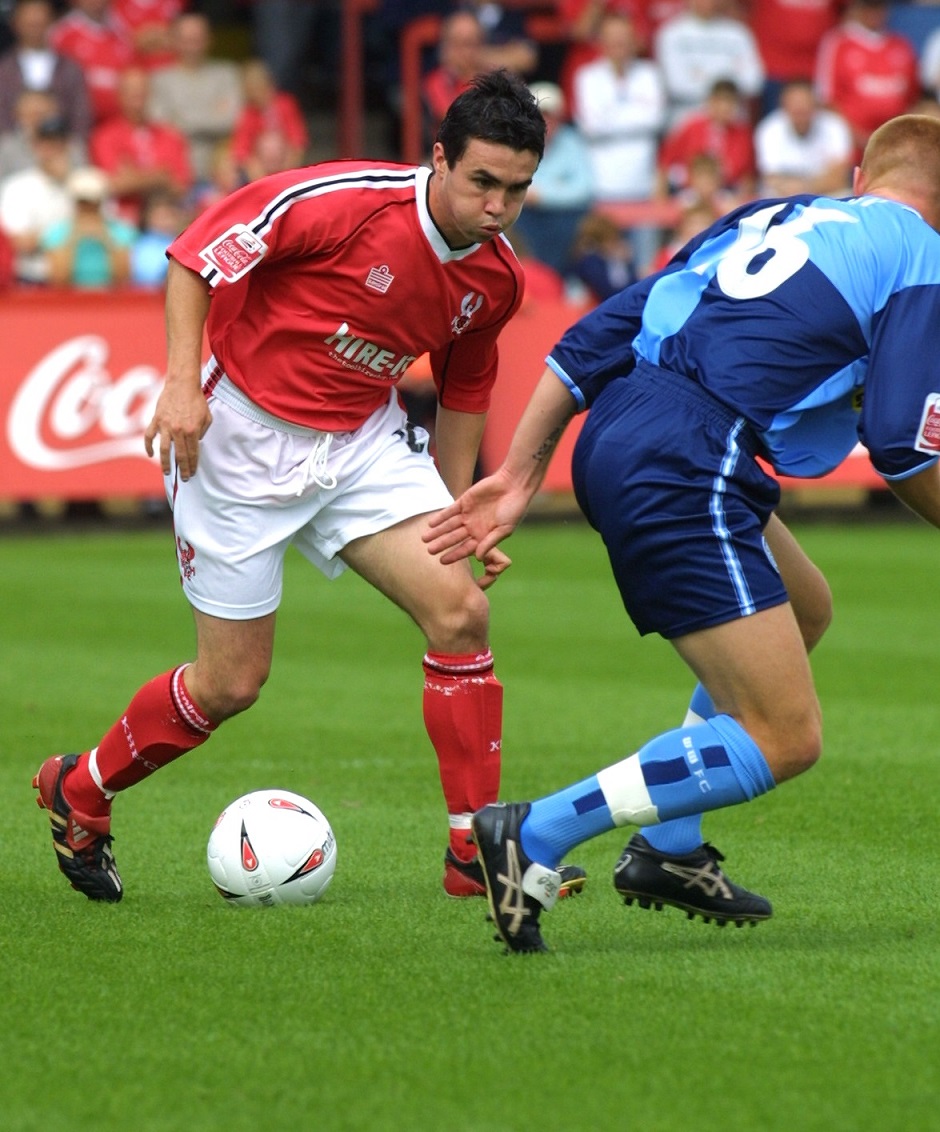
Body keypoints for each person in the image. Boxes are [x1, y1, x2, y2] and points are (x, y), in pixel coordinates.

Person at [31, 70, 586, 905]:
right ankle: (80, 790)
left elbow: (467, 388)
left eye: (516, 189)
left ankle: (473, 849)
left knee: (460, 610)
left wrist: (456, 511)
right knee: (230, 685)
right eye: (482, 182)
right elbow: (193, 258)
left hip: (360, 444)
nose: (497, 207)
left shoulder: (496, 279)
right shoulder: (341, 203)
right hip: (237, 439)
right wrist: (180, 384)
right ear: (439, 158)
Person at [425, 112, 940, 952]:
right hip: (691, 455)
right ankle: (534, 832)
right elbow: (901, 443)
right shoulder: (921, 252)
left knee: (805, 606)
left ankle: (667, 847)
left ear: (859, 179)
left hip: (632, 427)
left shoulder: (774, 215)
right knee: (786, 737)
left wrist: (519, 474)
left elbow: (598, 335)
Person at [814, 0, 920, 164]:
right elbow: (827, 99)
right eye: (868, 6)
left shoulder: (901, 45)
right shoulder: (838, 43)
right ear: (857, 8)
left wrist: (897, 138)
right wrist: (860, 138)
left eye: (878, 6)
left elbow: (912, 99)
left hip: (896, 147)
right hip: (851, 148)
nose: (874, 13)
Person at [147, 11, 243, 188]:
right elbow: (160, 127)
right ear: (173, 40)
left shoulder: (226, 74)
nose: (192, 46)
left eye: (197, 39)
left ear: (209, 39)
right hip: (176, 175)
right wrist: (212, 115)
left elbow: (232, 120)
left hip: (222, 171)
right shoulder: (159, 79)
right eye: (186, 40)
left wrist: (181, 119)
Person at [89, 62, 192, 225]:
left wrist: (134, 177)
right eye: (130, 90)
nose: (136, 95)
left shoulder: (170, 136)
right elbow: (113, 185)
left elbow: (181, 187)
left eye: (141, 90)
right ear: (119, 94)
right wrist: (160, 176)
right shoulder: (104, 136)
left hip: (166, 222)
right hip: (122, 221)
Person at [510, 80, 594, 279]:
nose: (545, 122)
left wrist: (541, 195)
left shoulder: (572, 141)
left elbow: (584, 189)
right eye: (540, 115)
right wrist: (557, 187)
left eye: (550, 115)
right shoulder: (513, 141)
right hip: (526, 217)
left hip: (562, 220)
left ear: (560, 118)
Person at [0, 110, 75, 283]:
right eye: (48, 144)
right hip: (31, 279)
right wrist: (70, 232)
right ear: (36, 146)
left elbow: (110, 236)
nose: (55, 150)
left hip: (78, 280)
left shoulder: (84, 183)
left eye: (60, 143)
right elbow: (19, 242)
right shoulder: (17, 187)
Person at [0, 0, 92, 140]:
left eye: (39, 23)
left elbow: (80, 114)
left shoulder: (69, 68)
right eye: (30, 24)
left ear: (52, 22)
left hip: (62, 146)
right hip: (13, 148)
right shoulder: (4, 70)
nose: (35, 28)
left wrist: (73, 146)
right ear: (15, 24)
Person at [754, 77, 853, 198]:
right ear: (784, 106)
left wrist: (804, 187)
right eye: (795, 106)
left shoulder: (834, 125)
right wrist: (805, 187)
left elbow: (839, 176)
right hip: (783, 197)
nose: (800, 109)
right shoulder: (769, 128)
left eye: (804, 105)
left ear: (816, 105)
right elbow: (770, 178)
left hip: (825, 197)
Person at [43, 161, 135, 286]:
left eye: (93, 202)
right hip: (71, 296)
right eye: (83, 202)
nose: (88, 208)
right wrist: (73, 239)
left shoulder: (120, 231)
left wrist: (106, 240)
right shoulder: (57, 232)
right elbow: (58, 279)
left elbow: (122, 278)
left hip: (108, 296)